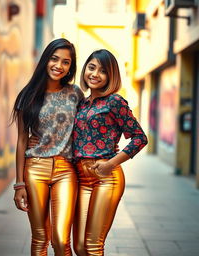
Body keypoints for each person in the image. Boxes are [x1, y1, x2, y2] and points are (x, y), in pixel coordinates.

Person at [11, 38, 84, 256]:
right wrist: (19, 184)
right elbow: (22, 140)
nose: (58, 66)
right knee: (40, 237)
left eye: (66, 62)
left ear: (70, 67)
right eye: (54, 59)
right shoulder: (29, 95)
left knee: (61, 240)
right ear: (45, 60)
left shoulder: (75, 94)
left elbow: (85, 126)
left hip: (66, 170)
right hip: (35, 168)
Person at [72, 49, 148, 256]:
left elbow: (140, 138)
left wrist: (111, 163)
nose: (95, 74)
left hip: (106, 177)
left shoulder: (115, 101)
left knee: (93, 246)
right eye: (92, 67)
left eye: (103, 71)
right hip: (81, 177)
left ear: (111, 76)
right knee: (79, 247)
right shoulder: (81, 103)